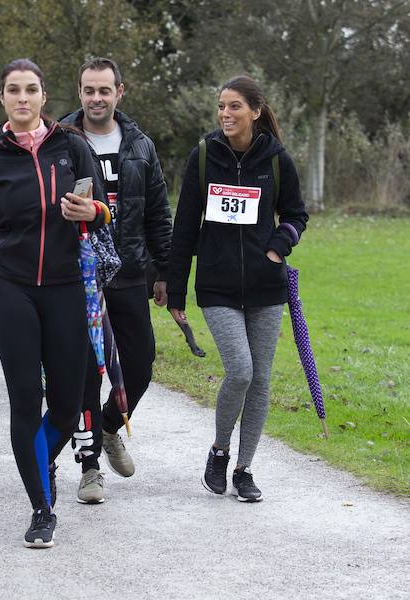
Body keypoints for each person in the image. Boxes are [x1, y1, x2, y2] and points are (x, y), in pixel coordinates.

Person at [0, 59, 106, 548]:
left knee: (67, 404)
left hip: (65, 287)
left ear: (43, 96)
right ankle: (41, 506)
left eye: (31, 89)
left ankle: (41, 460)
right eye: (13, 90)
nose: (22, 98)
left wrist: (91, 211)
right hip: (10, 288)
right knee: (25, 402)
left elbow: (107, 211)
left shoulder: (73, 147)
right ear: (3, 99)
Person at [166, 75, 308, 502]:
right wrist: (176, 292)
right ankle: (219, 450)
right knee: (241, 371)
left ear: (255, 111)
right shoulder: (206, 156)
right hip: (217, 287)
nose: (225, 114)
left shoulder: (277, 160)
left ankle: (245, 469)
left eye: (234, 107)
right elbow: (185, 226)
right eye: (221, 107)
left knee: (261, 380)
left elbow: (296, 215)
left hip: (266, 287)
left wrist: (277, 249)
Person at [59, 57, 172, 503]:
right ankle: (89, 469)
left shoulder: (140, 145)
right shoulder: (61, 141)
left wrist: (164, 273)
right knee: (86, 373)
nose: (96, 98)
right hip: (78, 276)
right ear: (80, 91)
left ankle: (109, 426)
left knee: (141, 365)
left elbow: (158, 214)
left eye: (105, 90)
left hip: (128, 273)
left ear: (119, 92)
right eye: (89, 90)